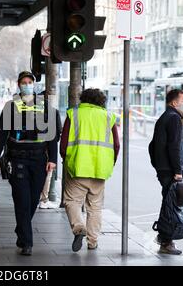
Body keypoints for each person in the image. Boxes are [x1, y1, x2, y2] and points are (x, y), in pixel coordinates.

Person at [0, 71, 61, 256]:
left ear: (34, 84)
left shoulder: (45, 107)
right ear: (18, 84)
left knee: (32, 201)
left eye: (30, 82)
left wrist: (53, 160)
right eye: (24, 82)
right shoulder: (10, 106)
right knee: (22, 200)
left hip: (39, 159)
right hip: (18, 159)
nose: (27, 85)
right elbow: (1, 134)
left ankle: (22, 230)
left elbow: (52, 137)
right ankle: (27, 243)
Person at [60, 88, 120, 252]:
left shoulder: (74, 114)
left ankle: (79, 227)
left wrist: (66, 159)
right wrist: (110, 163)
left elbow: (64, 142)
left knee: (72, 201)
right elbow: (116, 145)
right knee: (95, 207)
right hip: (100, 169)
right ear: (102, 101)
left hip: (77, 167)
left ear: (83, 99)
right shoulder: (109, 117)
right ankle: (92, 241)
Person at [148, 89, 183, 255]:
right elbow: (174, 147)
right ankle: (166, 241)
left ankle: (164, 238)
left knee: (168, 203)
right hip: (171, 171)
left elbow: (152, 146)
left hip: (164, 169)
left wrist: (158, 165)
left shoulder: (165, 117)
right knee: (171, 206)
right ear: (174, 102)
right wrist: (177, 171)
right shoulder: (174, 118)